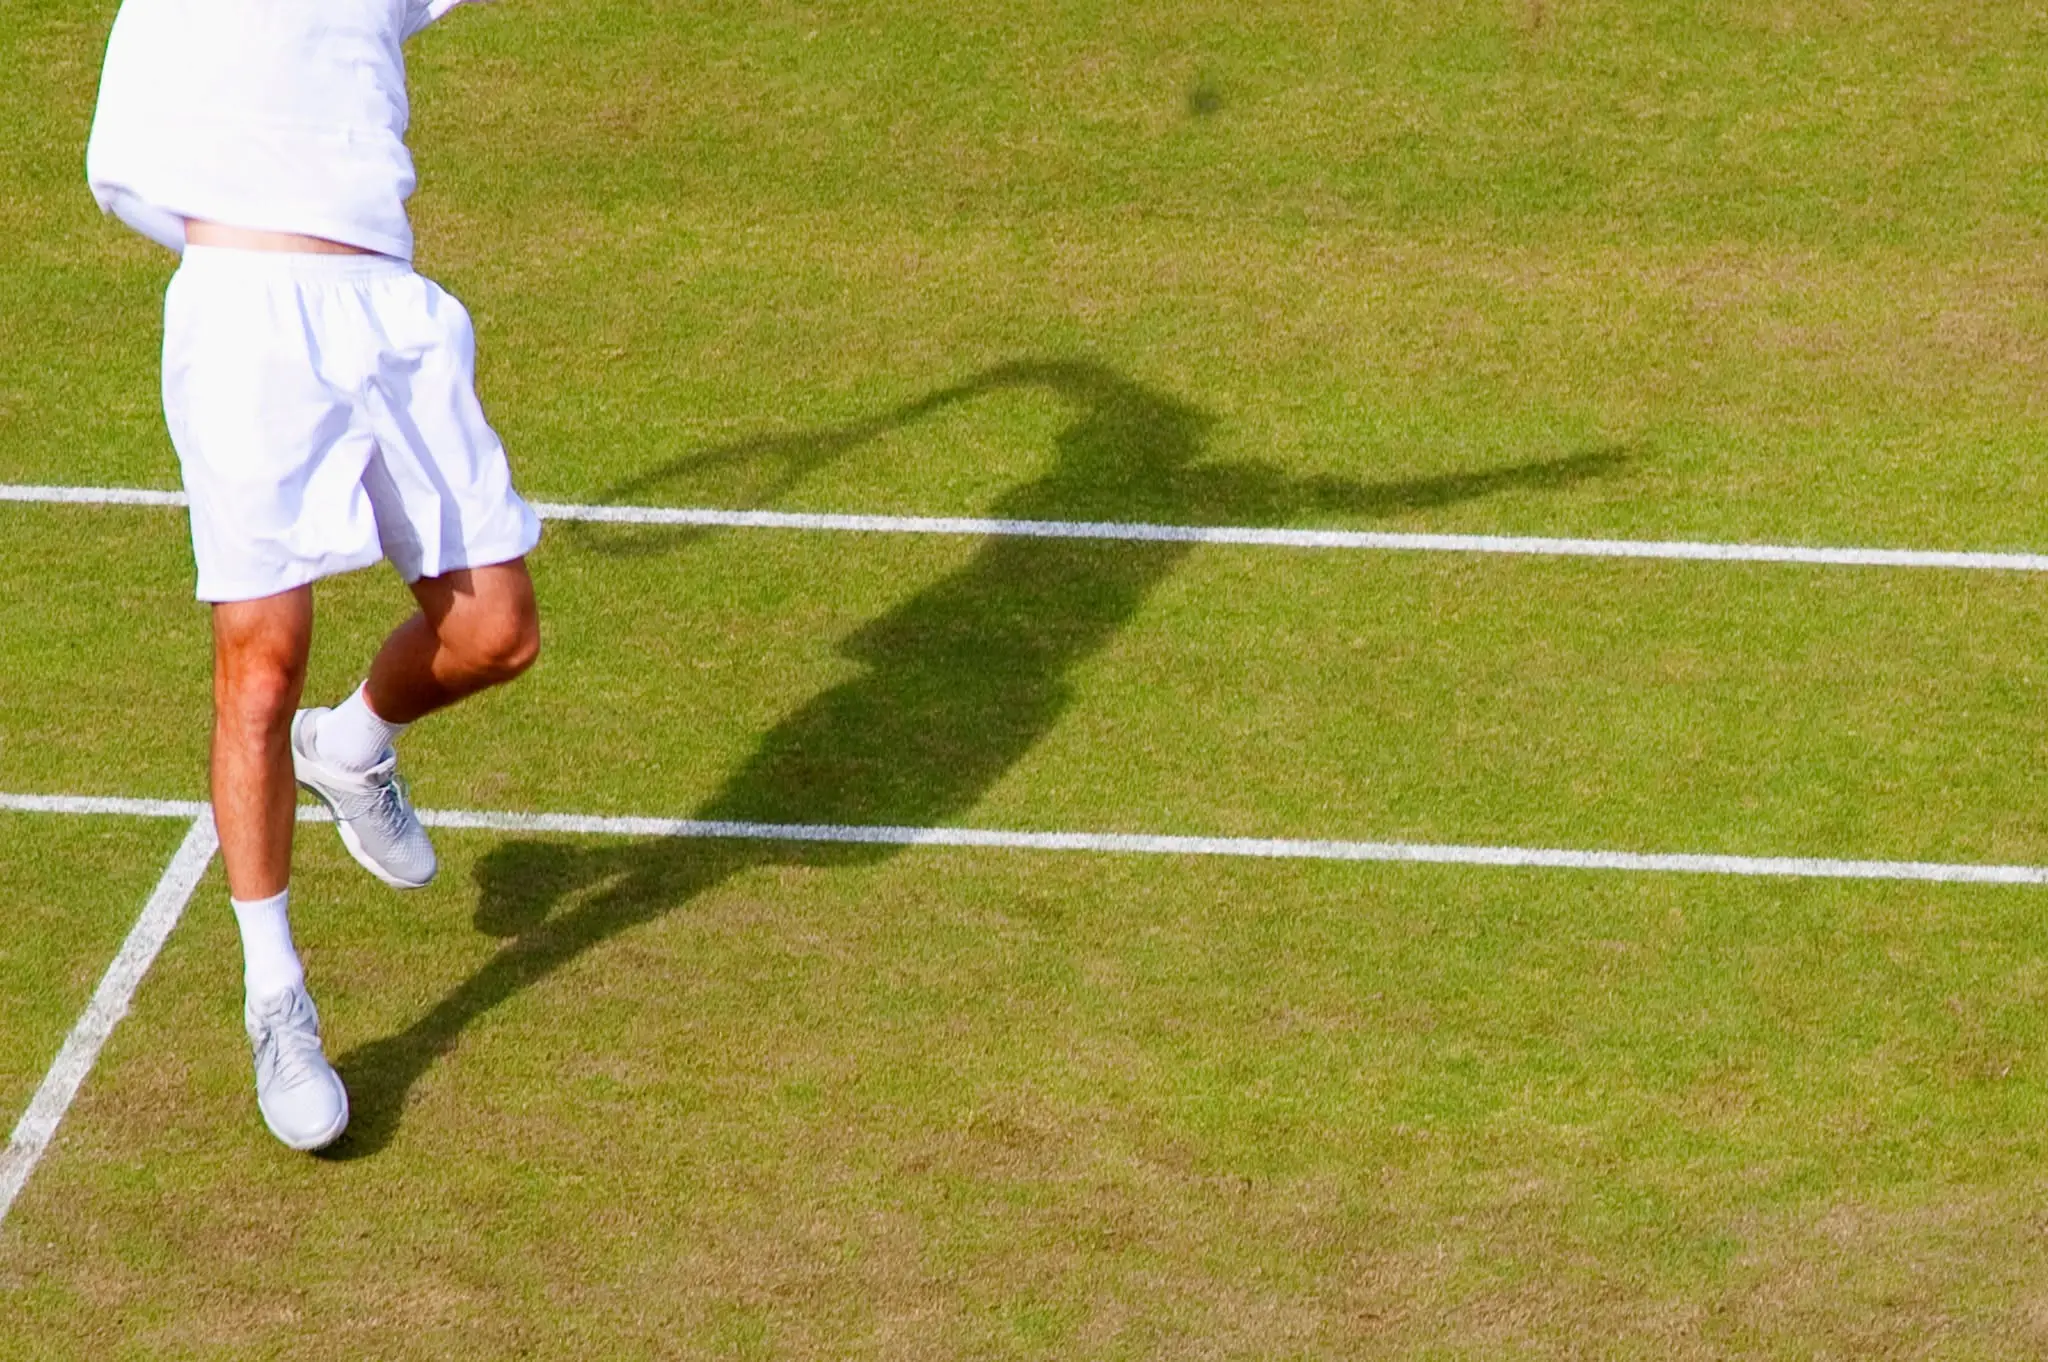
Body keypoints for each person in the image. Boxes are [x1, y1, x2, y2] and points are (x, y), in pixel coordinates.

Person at [85, 0, 542, 1152]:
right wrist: (241, 243)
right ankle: (275, 998)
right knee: (259, 666)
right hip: (244, 321)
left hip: (393, 315)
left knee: (497, 632)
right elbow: (120, 169)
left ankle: (352, 744)